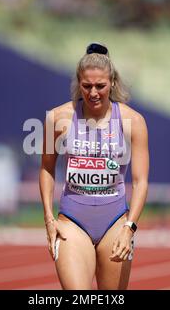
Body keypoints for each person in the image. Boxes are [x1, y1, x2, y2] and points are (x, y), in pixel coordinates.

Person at [39, 43, 149, 289]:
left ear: (112, 82)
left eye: (100, 86)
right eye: (87, 86)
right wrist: (48, 217)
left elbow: (141, 181)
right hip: (72, 221)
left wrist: (130, 227)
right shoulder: (56, 119)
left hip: (115, 222)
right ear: (78, 83)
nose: (93, 93)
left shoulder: (133, 121)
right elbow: (46, 169)